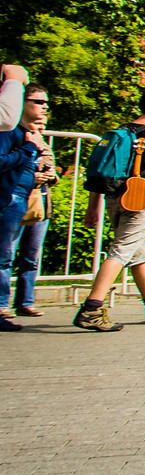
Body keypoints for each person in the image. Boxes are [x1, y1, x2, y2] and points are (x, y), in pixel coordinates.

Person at [76, 82, 145, 330]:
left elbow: (100, 170)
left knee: (139, 254)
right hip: (141, 200)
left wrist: (92, 206)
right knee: (121, 251)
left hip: (114, 197)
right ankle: (91, 309)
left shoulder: (121, 131)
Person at [0, 84, 56, 329]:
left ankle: (19, 302)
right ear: (21, 102)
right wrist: (30, 148)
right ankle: (2, 307)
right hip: (9, 198)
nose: (44, 107)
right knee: (3, 256)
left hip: (24, 200)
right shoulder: (8, 131)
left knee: (23, 256)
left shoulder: (30, 135)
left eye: (46, 103)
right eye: (38, 101)